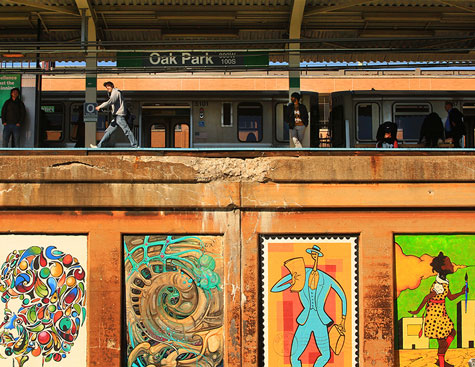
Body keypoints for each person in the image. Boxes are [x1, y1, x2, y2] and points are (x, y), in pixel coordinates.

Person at [271, 245, 347, 367]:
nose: (314, 255)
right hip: (305, 320)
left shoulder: (326, 278)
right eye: (312, 253)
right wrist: (292, 281)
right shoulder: (301, 273)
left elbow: (343, 296)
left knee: (326, 355)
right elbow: (275, 288)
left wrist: (343, 320)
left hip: (320, 321)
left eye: (316, 254)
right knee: (294, 356)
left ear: (319, 256)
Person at [409, 252, 468, 367]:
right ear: (443, 268)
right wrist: (417, 311)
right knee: (442, 342)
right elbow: (427, 297)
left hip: (441, 313)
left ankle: (441, 358)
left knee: (452, 333)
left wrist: (461, 292)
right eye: (449, 263)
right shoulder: (438, 285)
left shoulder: (444, 282)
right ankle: (441, 363)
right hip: (435, 315)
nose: (452, 265)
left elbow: (450, 297)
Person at [91, 81, 138, 148]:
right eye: (106, 86)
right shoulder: (114, 92)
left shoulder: (115, 92)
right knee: (108, 131)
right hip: (116, 117)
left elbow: (110, 101)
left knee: (126, 130)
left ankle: (135, 145)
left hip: (119, 116)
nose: (107, 87)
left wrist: (100, 106)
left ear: (112, 86)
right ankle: (99, 146)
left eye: (108, 86)